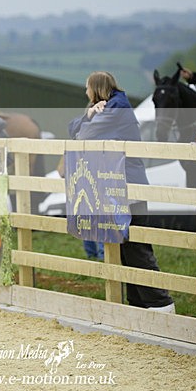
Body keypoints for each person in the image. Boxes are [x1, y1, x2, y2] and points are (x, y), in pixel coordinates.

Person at [68, 71, 175, 312]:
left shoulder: (117, 107)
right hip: (118, 186)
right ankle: (138, 303)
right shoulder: (110, 106)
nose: (86, 92)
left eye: (87, 88)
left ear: (96, 88)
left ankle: (161, 302)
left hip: (128, 184)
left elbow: (83, 135)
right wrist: (90, 113)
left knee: (135, 246)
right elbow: (72, 128)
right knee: (125, 247)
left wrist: (90, 118)